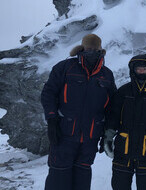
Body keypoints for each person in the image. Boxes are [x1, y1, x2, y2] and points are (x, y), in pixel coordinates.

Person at [41, 34, 117, 190]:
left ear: (100, 50)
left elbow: (112, 106)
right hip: (64, 134)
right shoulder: (65, 67)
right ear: (82, 48)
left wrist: (106, 133)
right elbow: (48, 93)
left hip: (90, 138)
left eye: (96, 48)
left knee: (82, 179)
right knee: (58, 178)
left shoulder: (106, 75)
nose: (92, 51)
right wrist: (52, 120)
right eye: (89, 47)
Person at [103, 54, 146, 190]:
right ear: (132, 70)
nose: (141, 72)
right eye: (138, 69)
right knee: (119, 185)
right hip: (123, 147)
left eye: (144, 69)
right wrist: (108, 136)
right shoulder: (123, 92)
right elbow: (113, 116)